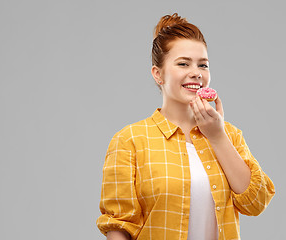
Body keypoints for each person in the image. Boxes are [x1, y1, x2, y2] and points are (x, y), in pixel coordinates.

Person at [96, 13, 275, 240]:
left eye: (203, 65)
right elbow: (118, 225)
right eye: (183, 63)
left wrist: (217, 137)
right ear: (158, 74)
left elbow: (256, 203)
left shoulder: (229, 135)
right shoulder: (130, 140)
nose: (196, 73)